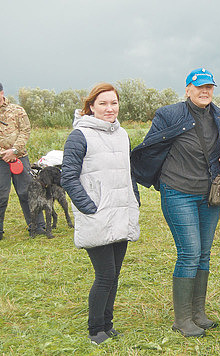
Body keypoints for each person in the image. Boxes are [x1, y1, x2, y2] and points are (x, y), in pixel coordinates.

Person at [131, 68, 220, 337]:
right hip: (178, 192)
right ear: (187, 89)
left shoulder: (218, 115)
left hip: (208, 195)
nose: (204, 91)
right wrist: (158, 179)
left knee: (204, 253)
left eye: (209, 87)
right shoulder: (169, 114)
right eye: (199, 87)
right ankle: (182, 319)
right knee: (189, 252)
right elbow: (151, 147)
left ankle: (198, 313)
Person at [61, 83, 140, 344]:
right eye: (103, 103)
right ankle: (96, 329)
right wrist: (89, 208)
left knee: (115, 274)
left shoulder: (122, 134)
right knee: (104, 275)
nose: (109, 108)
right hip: (98, 215)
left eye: (114, 103)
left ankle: (108, 324)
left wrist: (134, 201)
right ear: (91, 106)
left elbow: (128, 173)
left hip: (121, 213)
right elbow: (68, 178)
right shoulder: (79, 135)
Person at [0, 82, 45, 240]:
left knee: (27, 192)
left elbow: (25, 130)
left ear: (2, 93)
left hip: (20, 157)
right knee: (1, 196)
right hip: (0, 161)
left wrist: (14, 150)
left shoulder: (17, 110)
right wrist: (3, 153)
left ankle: (37, 226)